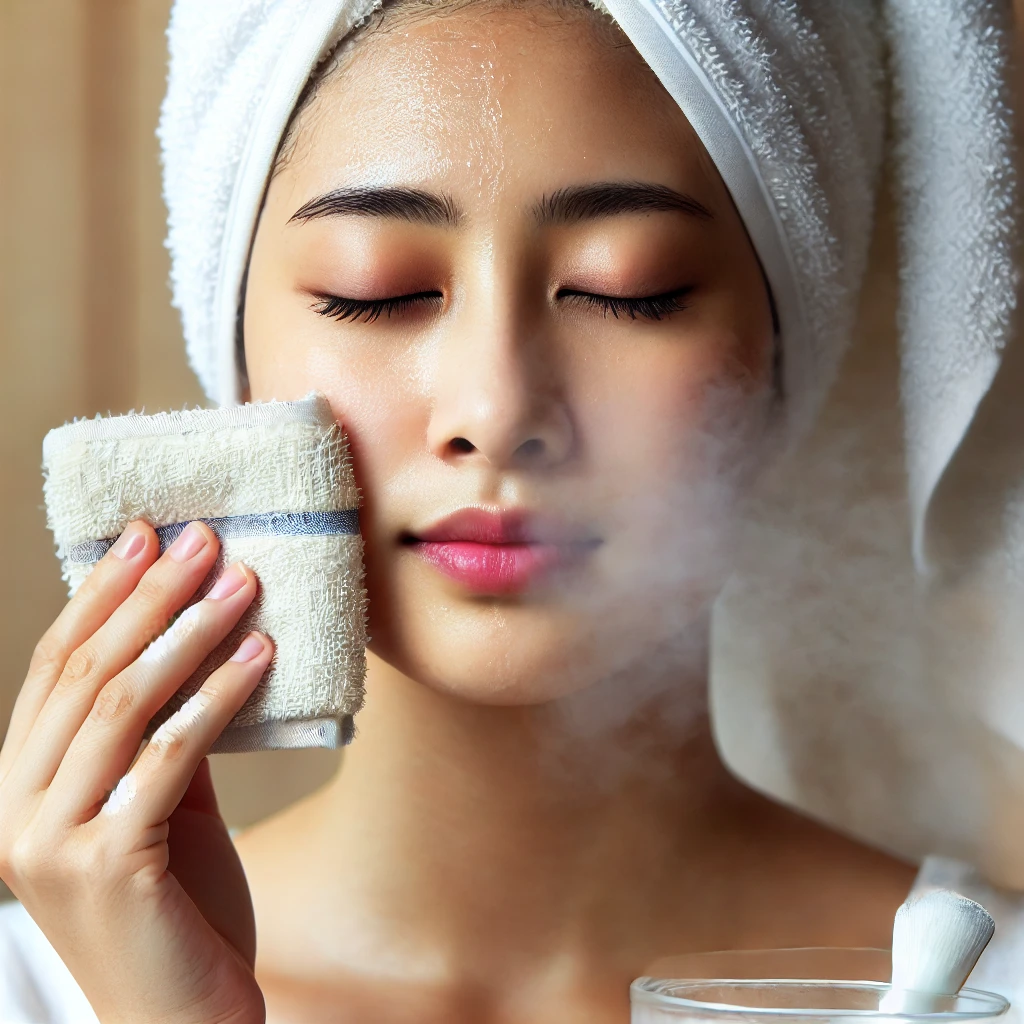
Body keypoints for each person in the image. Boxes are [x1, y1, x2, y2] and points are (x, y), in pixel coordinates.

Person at [0, 1, 1021, 1021]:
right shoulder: (43, 991)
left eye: (631, 289)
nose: (497, 410)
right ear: (237, 362)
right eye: (377, 291)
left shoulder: (983, 990)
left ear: (783, 354)